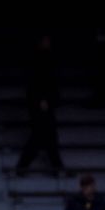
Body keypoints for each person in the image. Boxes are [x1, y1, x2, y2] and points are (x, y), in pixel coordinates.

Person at [14, 35, 67, 177]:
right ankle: (24, 167)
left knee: (47, 137)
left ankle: (56, 167)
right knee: (40, 137)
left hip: (44, 102)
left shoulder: (46, 58)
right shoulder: (38, 60)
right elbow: (38, 82)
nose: (48, 43)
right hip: (40, 103)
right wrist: (42, 99)